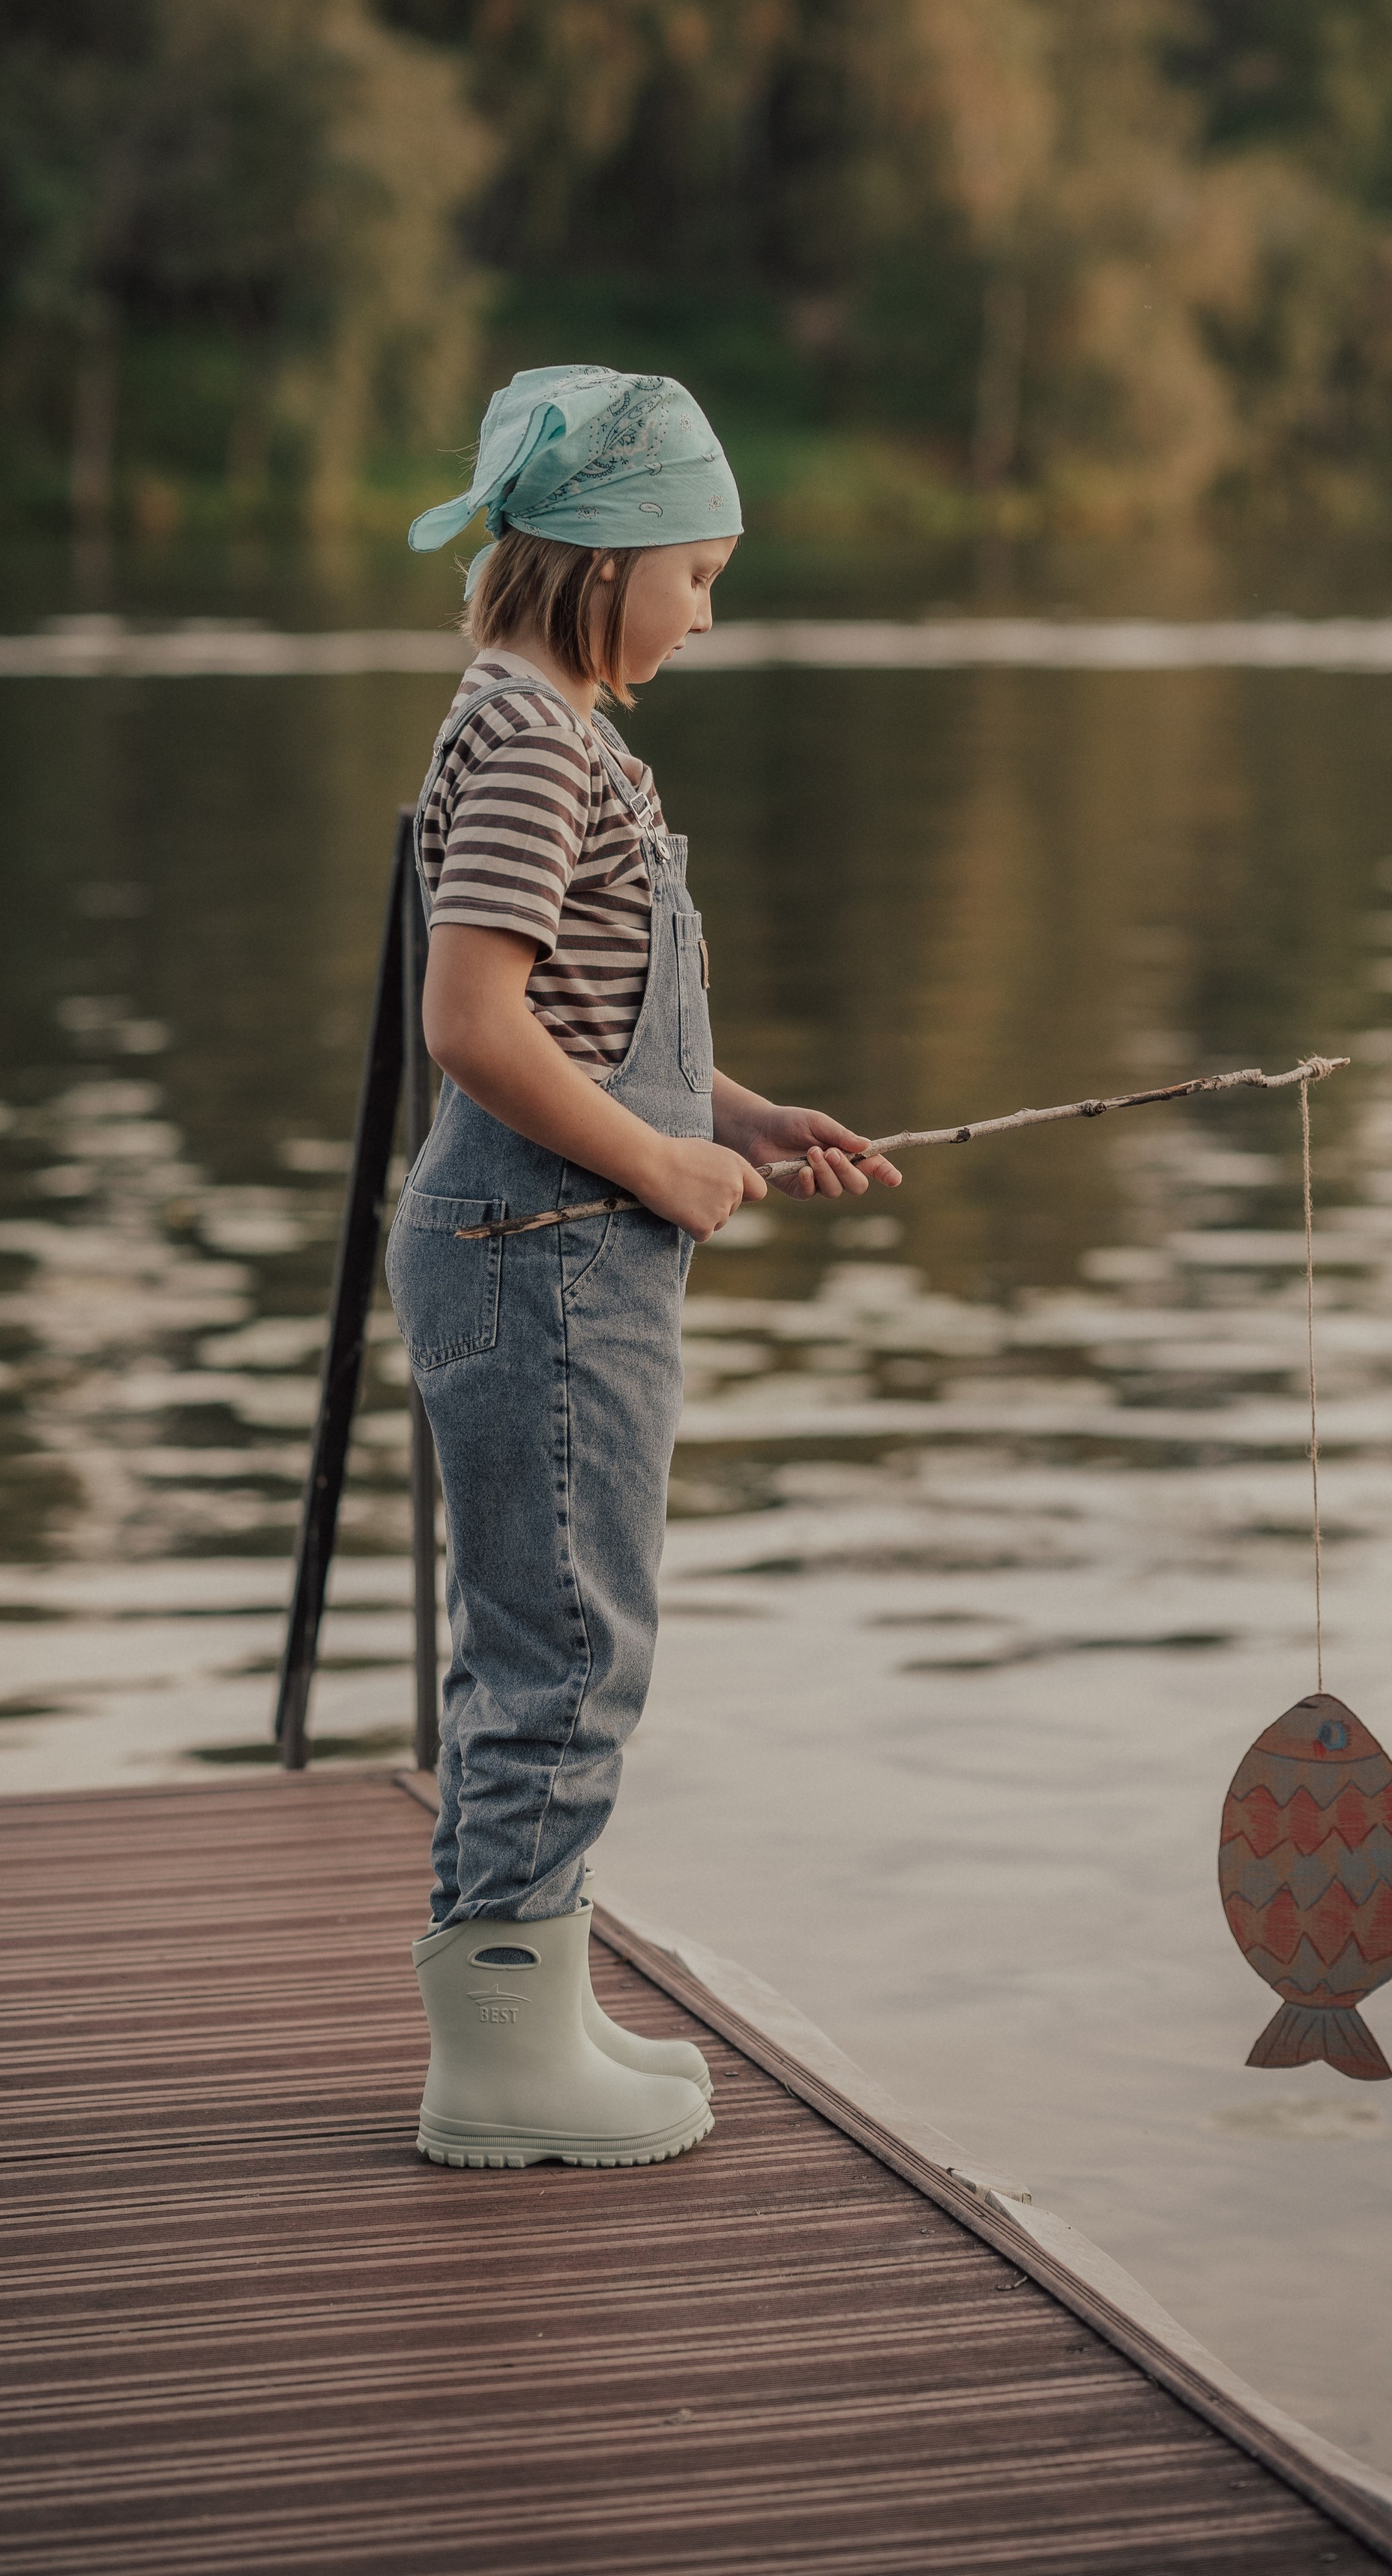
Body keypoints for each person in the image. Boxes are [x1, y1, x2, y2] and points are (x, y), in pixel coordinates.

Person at [390, 365, 899, 2170]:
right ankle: (500, 2067)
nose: (707, 610)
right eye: (696, 572)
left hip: (555, 1244)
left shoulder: (544, 724)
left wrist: (737, 1118)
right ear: (601, 565)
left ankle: (527, 1995)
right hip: (548, 1258)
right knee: (569, 1648)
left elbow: (590, 1020)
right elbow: (472, 1022)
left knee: (542, 1636)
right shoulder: (533, 741)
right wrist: (663, 1169)